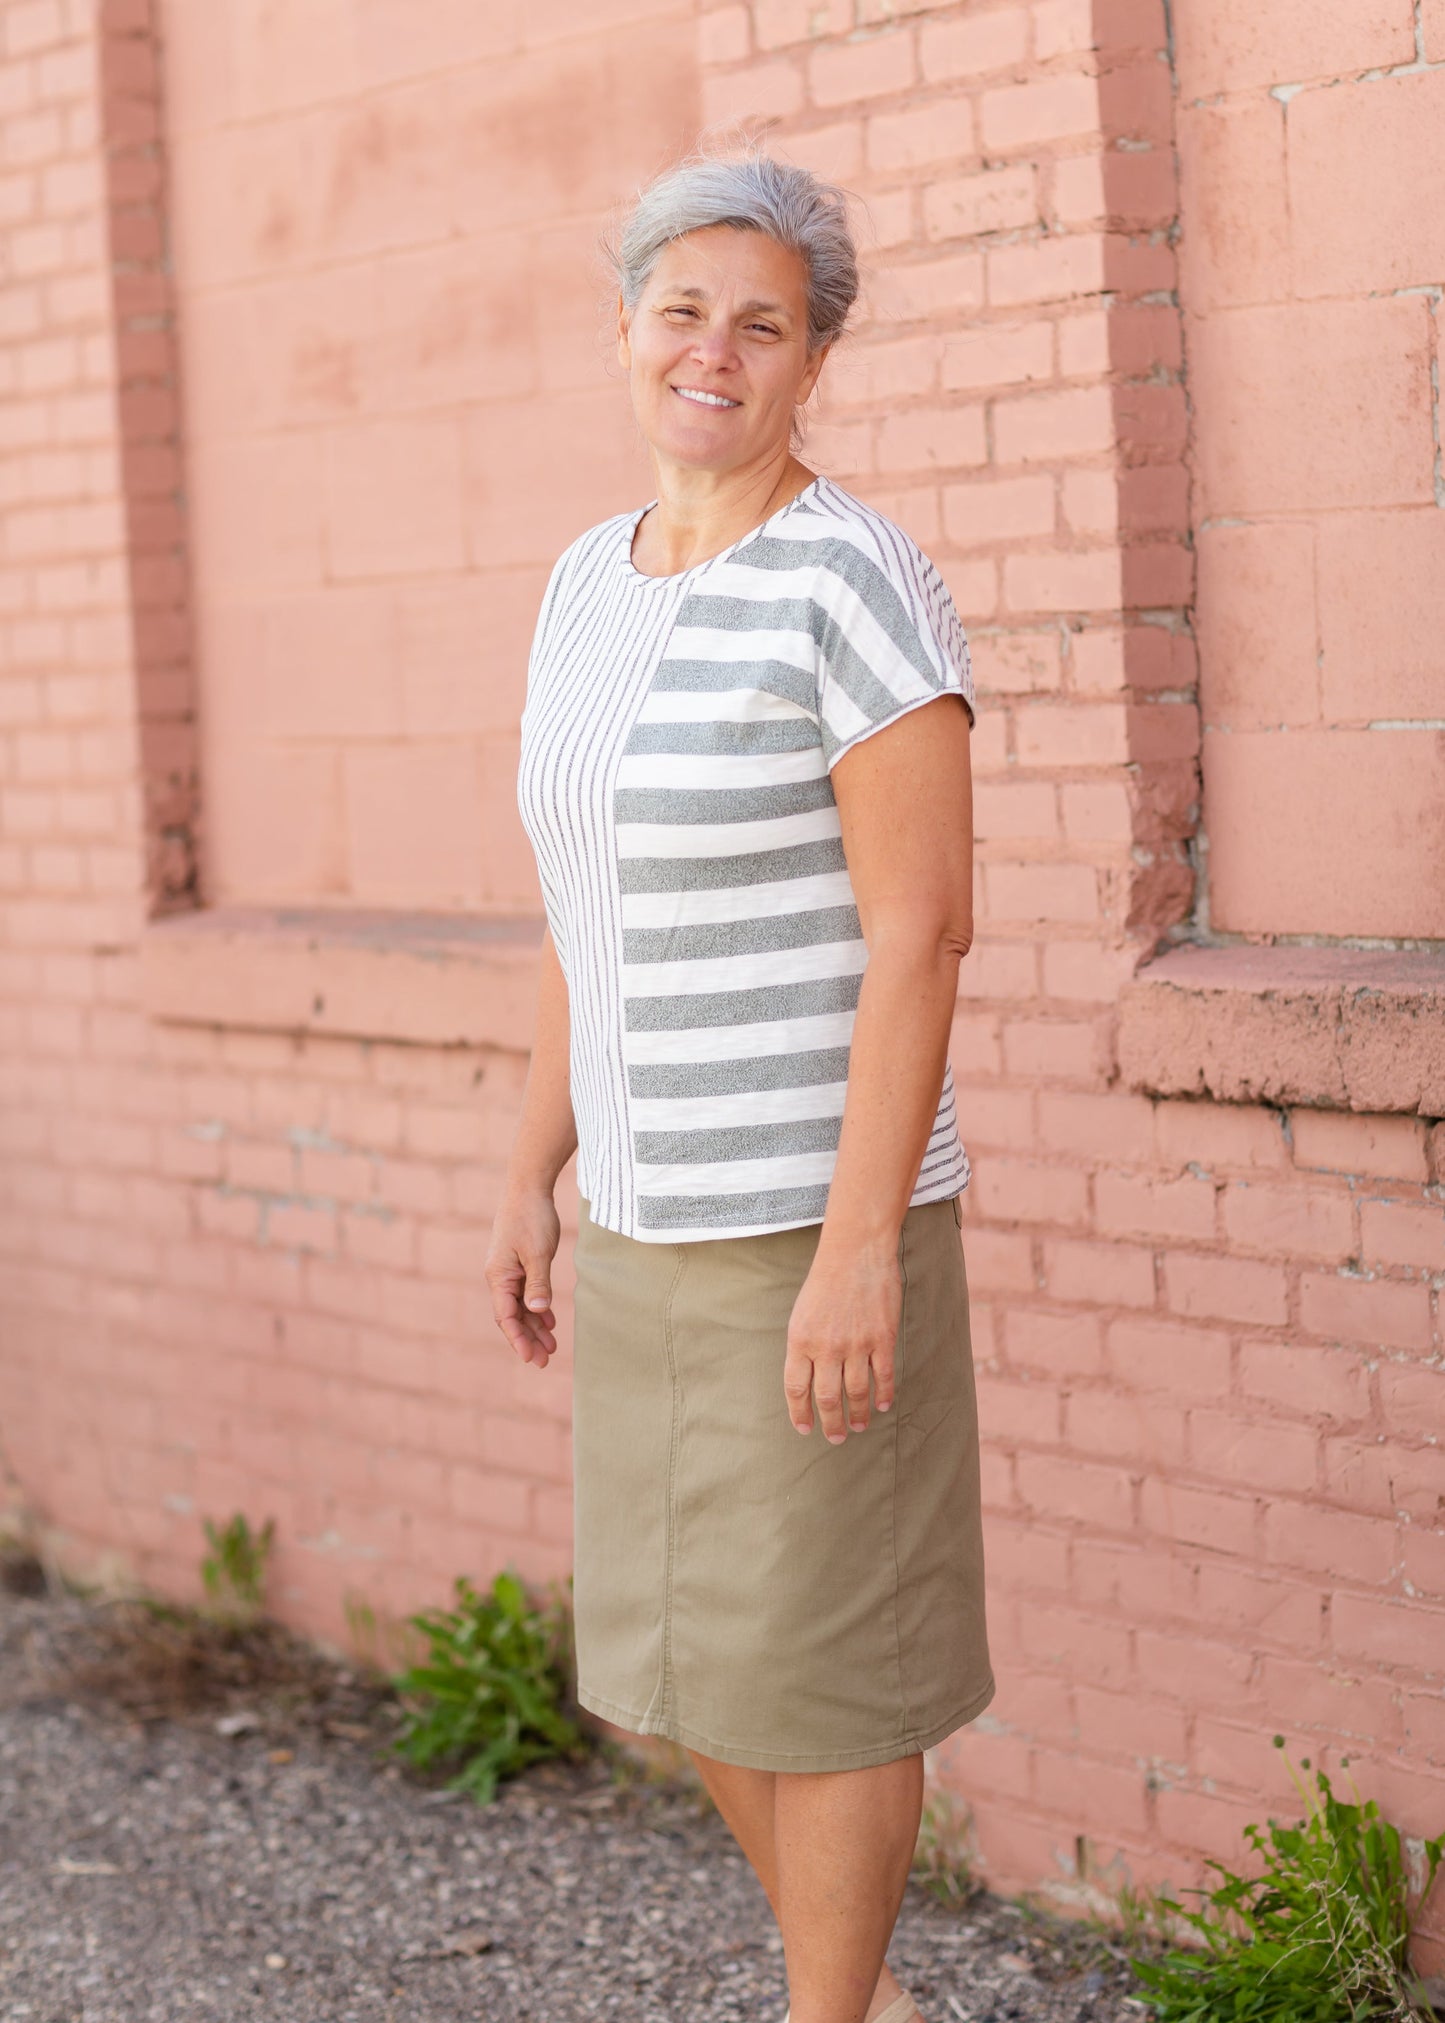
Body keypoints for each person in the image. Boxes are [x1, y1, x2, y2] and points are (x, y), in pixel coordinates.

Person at [485, 145, 993, 2023]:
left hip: (807, 1216)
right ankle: (855, 2000)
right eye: (682, 309)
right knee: (684, 1657)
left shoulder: (851, 583)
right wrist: (529, 1162)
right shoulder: (579, 590)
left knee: (830, 1664)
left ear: (809, 363)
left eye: (760, 324)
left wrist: (860, 1247)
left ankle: (831, 2015)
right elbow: (579, 906)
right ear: (626, 330)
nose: (714, 348)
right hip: (638, 1217)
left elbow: (921, 936)